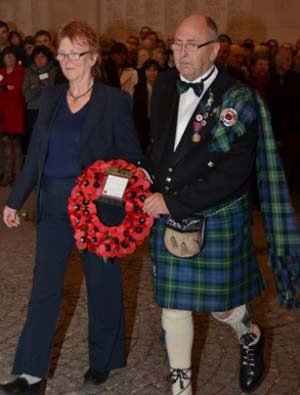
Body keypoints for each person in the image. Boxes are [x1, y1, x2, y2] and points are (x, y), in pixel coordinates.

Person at [142, 14, 300, 395]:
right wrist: (142, 176)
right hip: (171, 210)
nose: (181, 53)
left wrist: (173, 202)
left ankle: (250, 335)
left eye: (191, 45)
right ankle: (182, 389)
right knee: (173, 307)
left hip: (215, 214)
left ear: (214, 50)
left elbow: (232, 174)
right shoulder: (164, 84)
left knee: (221, 307)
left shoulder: (239, 99)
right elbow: (159, 145)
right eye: (176, 44)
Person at [0, 20, 142, 395]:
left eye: (76, 53)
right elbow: (35, 156)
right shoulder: (50, 97)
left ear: (93, 57)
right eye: (62, 53)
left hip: (96, 210)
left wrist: (107, 199)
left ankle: (104, 359)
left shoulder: (114, 102)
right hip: (53, 204)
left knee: (102, 284)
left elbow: (130, 161)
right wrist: (15, 200)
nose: (67, 60)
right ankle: (30, 375)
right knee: (44, 287)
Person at [0, 46, 25, 186]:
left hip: (16, 113)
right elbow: (7, 89)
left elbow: (17, 92)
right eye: (6, 56)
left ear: (16, 57)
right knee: (5, 145)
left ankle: (18, 176)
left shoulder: (21, 72)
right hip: (2, 114)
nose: (9, 58)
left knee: (16, 145)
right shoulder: (1, 72)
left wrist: (3, 88)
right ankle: (7, 174)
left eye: (11, 55)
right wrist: (6, 87)